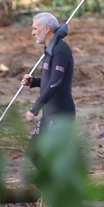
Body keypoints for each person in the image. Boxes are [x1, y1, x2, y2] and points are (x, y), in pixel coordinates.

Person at [22, 12, 75, 166]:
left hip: (60, 113)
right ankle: (50, 184)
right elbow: (50, 81)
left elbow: (56, 82)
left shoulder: (60, 50)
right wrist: (34, 82)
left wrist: (35, 107)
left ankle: (65, 186)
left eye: (34, 28)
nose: (32, 32)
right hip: (49, 113)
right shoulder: (49, 51)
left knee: (59, 157)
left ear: (46, 29)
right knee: (33, 152)